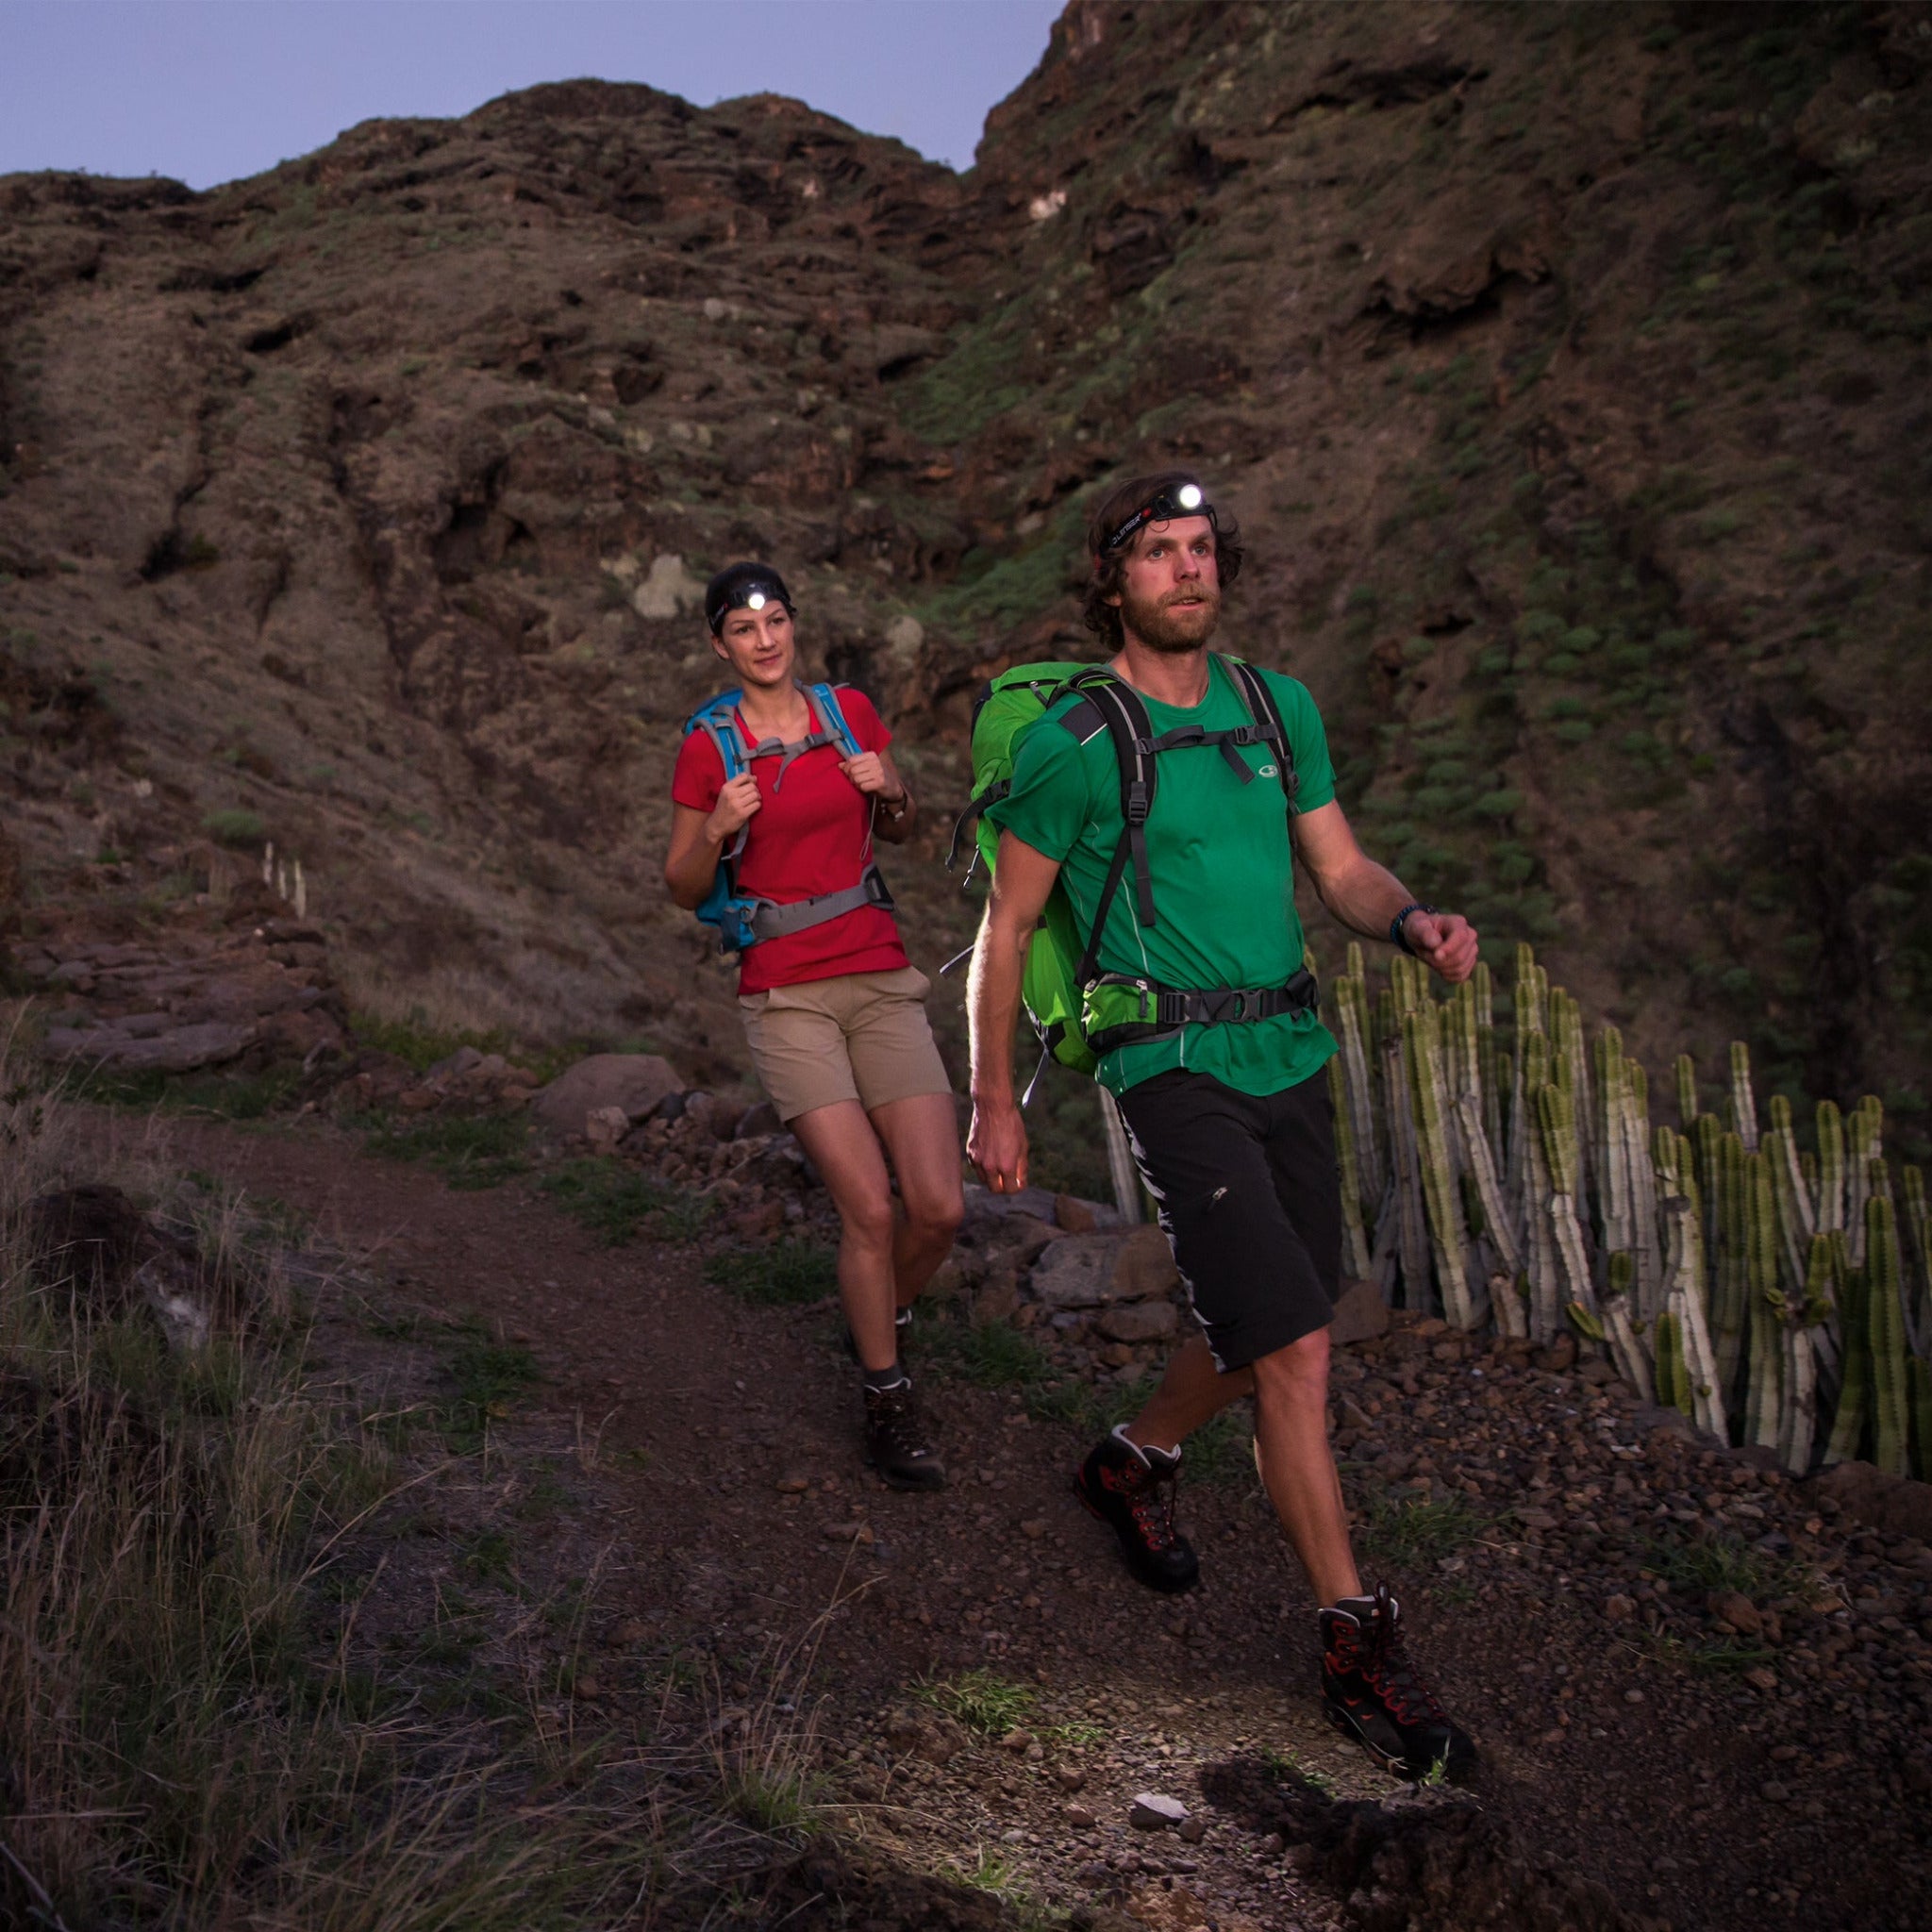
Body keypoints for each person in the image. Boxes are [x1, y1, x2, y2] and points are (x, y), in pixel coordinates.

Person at [964, 475, 1480, 1780]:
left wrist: (1412, 920)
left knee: (1267, 1324)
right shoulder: (1075, 744)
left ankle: (1135, 1459)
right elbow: (1007, 930)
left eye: (1203, 551)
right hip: (1169, 1062)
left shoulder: (1274, 705)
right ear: (1115, 582)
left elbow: (1343, 869)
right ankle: (1353, 1642)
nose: (1188, 571)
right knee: (1298, 1346)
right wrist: (987, 1100)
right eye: (1159, 554)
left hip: (1286, 1048)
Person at [665, 562, 962, 1489]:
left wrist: (896, 788)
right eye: (744, 627)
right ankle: (885, 1395)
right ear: (720, 644)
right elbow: (680, 883)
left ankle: (878, 1308)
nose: (765, 638)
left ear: (795, 627)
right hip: (784, 990)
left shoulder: (849, 712)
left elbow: (903, 830)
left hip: (876, 971)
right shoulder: (709, 745)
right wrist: (716, 824)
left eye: (777, 619)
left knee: (941, 1205)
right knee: (869, 1207)